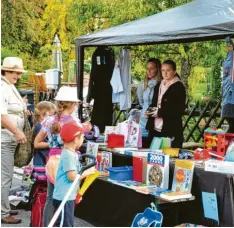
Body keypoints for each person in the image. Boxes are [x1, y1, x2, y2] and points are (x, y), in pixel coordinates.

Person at [34, 86, 91, 226]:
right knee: (66, 196)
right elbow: (85, 130)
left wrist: (53, 145)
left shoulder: (49, 120)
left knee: (50, 197)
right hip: (67, 160)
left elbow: (37, 143)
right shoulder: (74, 122)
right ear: (72, 104)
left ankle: (46, 224)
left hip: (52, 161)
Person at [52, 121, 95, 227]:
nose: (83, 140)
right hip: (64, 197)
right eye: (82, 137)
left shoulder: (71, 153)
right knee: (64, 224)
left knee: (67, 223)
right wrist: (87, 172)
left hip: (67, 196)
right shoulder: (68, 155)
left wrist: (76, 194)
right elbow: (72, 177)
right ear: (76, 139)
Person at [1, 57, 27, 224]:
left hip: (8, 139)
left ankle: (4, 206)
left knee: (6, 175)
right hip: (4, 139)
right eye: (16, 73)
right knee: (5, 177)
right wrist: (17, 131)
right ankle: (3, 213)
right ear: (7, 71)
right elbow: (2, 116)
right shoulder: (3, 88)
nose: (18, 76)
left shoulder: (9, 86)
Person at [145, 60, 186, 148]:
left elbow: (179, 109)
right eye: (163, 70)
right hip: (155, 127)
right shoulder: (159, 84)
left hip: (170, 128)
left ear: (174, 71)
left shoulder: (178, 87)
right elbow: (154, 103)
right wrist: (149, 111)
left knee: (168, 157)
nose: (165, 73)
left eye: (168, 70)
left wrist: (160, 112)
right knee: (153, 156)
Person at [32, 101, 56, 180]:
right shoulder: (41, 127)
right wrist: (53, 143)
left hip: (40, 158)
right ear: (43, 114)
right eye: (51, 115)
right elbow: (37, 144)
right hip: (42, 159)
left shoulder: (38, 124)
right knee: (42, 184)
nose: (53, 118)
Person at [137, 58, 162, 134]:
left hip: (156, 121)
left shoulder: (162, 84)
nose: (148, 71)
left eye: (152, 69)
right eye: (147, 68)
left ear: (157, 69)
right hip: (143, 121)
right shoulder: (143, 84)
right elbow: (141, 101)